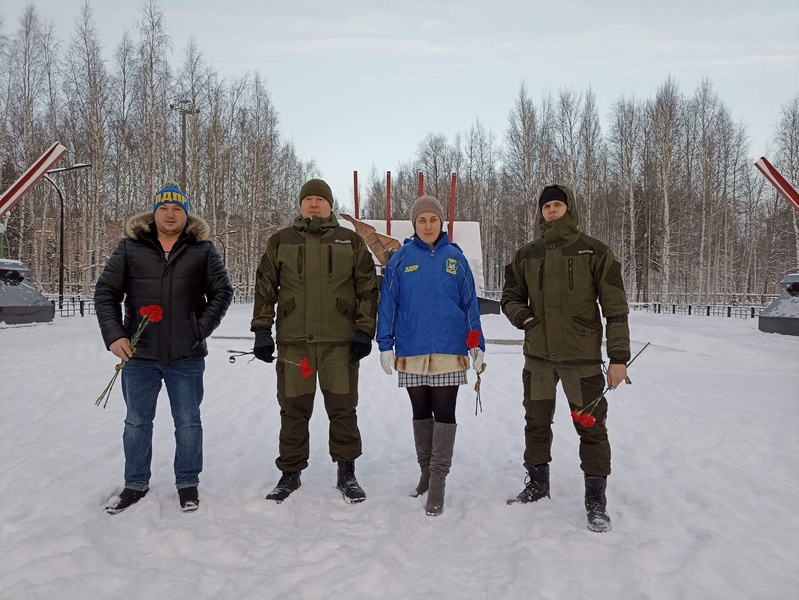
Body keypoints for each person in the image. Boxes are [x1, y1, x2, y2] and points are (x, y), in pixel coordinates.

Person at [95, 183, 233, 514]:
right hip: (139, 355)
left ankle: (187, 483)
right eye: (164, 208)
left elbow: (222, 292)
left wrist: (198, 329)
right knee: (137, 422)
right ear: (154, 212)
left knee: (188, 421)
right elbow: (106, 292)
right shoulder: (130, 248)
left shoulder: (203, 249)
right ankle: (135, 483)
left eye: (178, 209)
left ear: (186, 215)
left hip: (186, 357)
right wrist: (115, 335)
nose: (170, 214)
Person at [501, 184, 630, 533]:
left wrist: (618, 357)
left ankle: (595, 499)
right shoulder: (527, 255)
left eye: (558, 205)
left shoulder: (595, 251)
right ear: (541, 212)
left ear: (569, 209)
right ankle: (538, 483)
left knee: (591, 430)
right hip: (539, 359)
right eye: (547, 206)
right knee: (536, 423)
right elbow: (509, 296)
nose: (552, 211)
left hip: (582, 360)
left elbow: (616, 308)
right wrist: (523, 318)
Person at [251, 178, 378, 504]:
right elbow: (265, 285)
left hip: (339, 343)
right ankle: (289, 474)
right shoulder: (281, 241)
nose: (313, 204)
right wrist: (262, 330)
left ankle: (346, 473)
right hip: (296, 344)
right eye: (307, 199)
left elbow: (367, 288)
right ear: (300, 204)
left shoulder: (350, 241)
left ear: (330, 204)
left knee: (343, 409)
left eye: (319, 199)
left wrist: (365, 331)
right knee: (293, 409)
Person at [376, 195, 485, 516]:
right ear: (414, 224)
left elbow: (470, 305)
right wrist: (385, 344)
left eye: (432, 220)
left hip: (450, 351)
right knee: (421, 413)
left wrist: (477, 343)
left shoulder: (456, 258)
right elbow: (387, 304)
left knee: (445, 414)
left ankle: (438, 481)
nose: (427, 225)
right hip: (411, 350)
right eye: (422, 220)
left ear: (441, 223)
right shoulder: (401, 259)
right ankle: (425, 472)